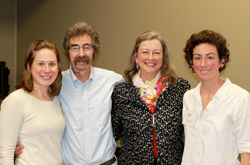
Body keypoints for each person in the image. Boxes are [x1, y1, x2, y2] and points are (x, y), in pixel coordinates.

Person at [15, 21, 123, 164]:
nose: (81, 54)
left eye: (87, 47)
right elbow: (28, 105)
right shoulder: (54, 84)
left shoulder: (113, 81)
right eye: (75, 48)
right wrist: (17, 140)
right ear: (67, 53)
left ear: (95, 51)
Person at [111, 30, 190, 164]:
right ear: (136, 57)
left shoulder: (180, 88)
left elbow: (189, 131)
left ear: (163, 58)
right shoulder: (121, 92)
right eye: (145, 52)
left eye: (157, 52)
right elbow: (113, 133)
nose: (151, 57)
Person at [181, 30, 250, 164]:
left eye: (210, 57)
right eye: (197, 58)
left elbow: (247, 154)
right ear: (191, 62)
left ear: (222, 61)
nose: (203, 64)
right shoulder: (188, 97)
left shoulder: (240, 98)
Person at [0, 39, 65, 164]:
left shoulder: (57, 100)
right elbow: (5, 154)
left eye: (52, 64)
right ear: (29, 66)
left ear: (58, 66)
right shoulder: (16, 100)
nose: (47, 70)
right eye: (40, 64)